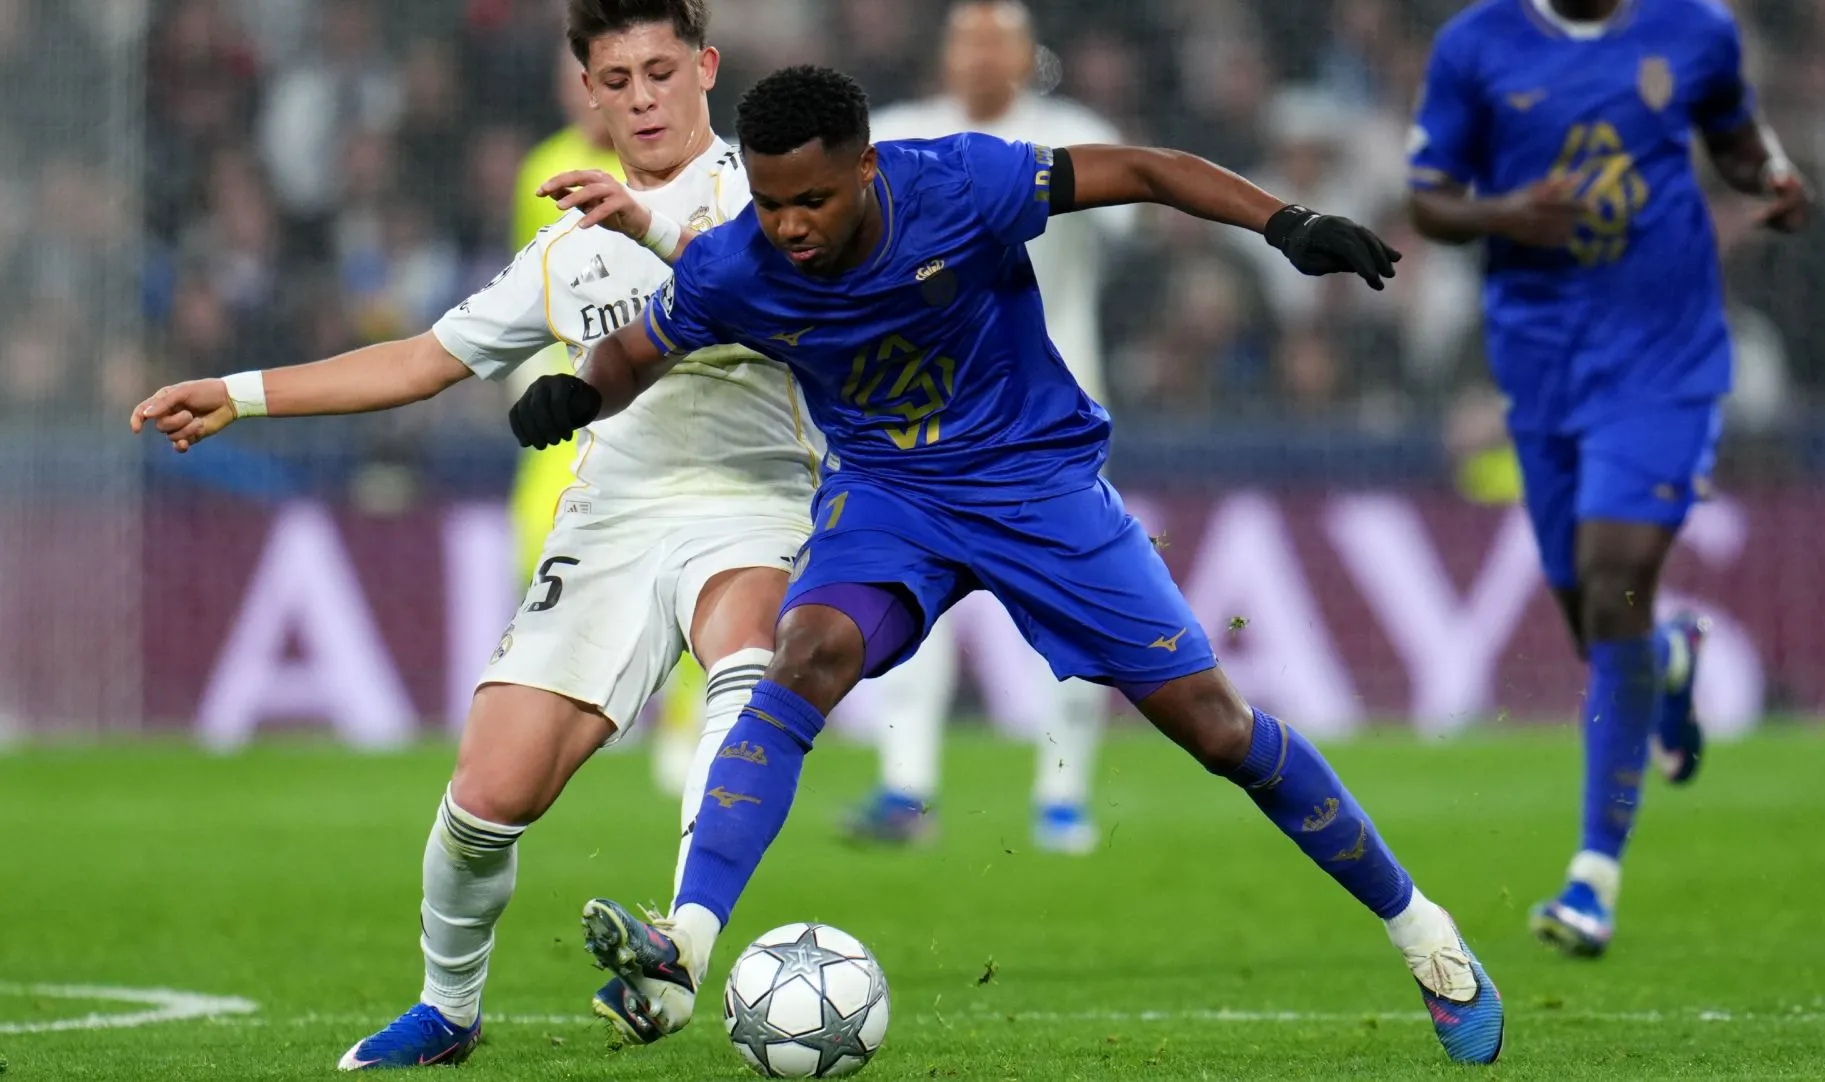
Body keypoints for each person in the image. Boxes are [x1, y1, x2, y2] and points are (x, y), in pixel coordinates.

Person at [513, 64, 1506, 1065]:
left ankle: (1425, 933)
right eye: (770, 204)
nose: (790, 226)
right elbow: (638, 349)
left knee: (1217, 727)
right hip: (891, 496)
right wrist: (577, 394)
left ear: (866, 167)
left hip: (1037, 484)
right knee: (803, 651)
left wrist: (1283, 221)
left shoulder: (957, 184)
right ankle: (684, 940)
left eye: (813, 199)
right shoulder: (737, 266)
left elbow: (1148, 171)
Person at [131, 0, 823, 1068]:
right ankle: (448, 1007)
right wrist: (239, 390)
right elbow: (421, 359)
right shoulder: (568, 253)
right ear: (588, 94)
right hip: (611, 520)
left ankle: (681, 942)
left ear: (706, 69)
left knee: (748, 651)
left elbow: (783, 289)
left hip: (759, 497)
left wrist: (655, 227)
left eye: (658, 71)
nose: (640, 98)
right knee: (487, 795)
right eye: (616, 79)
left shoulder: (770, 193)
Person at [1405, 0, 1812, 957]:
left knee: (1614, 571)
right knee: (1594, 613)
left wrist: (1778, 179)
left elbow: (1739, 141)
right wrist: (1509, 213)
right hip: (1541, 361)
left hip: (1666, 359)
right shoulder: (1477, 44)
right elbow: (1429, 199)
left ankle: (1594, 876)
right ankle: (1668, 656)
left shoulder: (1695, 32)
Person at [848, 0, 1130, 854]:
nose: (978, 58)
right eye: (965, 42)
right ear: (943, 56)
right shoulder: (893, 135)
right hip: (922, 426)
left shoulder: (1073, 134)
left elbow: (1129, 224)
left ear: (1026, 55)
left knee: (1083, 610)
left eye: (995, 42)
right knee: (906, 601)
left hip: (1050, 424)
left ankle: (1064, 796)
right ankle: (905, 790)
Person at [510, 39, 710, 799]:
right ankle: (598, 699)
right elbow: (528, 284)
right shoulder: (542, 167)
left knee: (695, 560)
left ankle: (684, 719)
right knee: (537, 545)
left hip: (665, 383)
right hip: (576, 391)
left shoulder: (685, 174)